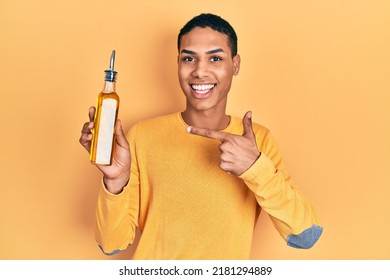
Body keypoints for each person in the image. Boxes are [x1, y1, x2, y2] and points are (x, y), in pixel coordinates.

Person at [79, 13, 323, 260]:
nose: (200, 71)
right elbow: (112, 244)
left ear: (235, 64)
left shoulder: (258, 141)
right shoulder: (142, 136)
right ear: (178, 63)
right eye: (189, 59)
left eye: (215, 58)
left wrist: (255, 168)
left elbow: (305, 236)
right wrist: (116, 182)